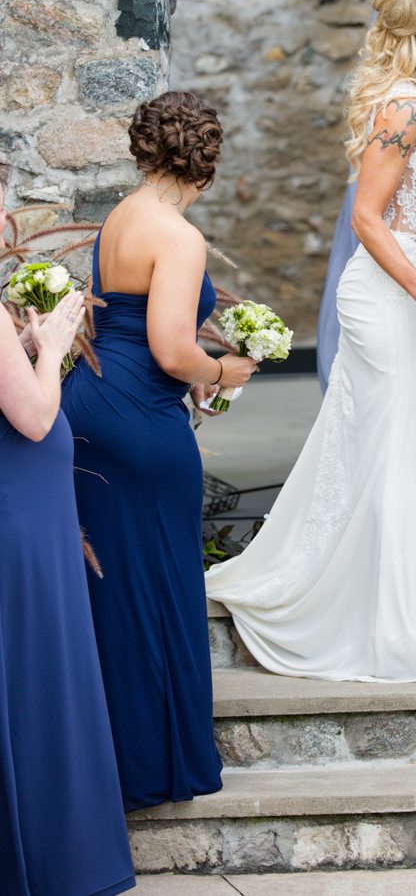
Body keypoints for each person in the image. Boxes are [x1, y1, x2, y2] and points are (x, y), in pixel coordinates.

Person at [206, 0, 416, 682]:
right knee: (398, 444)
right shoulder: (401, 108)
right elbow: (367, 218)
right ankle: (400, 629)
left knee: (410, 438)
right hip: (387, 298)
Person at [62, 91, 258, 811]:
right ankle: (153, 768)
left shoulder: (120, 216)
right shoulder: (178, 237)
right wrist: (222, 372)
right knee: (157, 588)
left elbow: (126, 324)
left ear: (144, 149)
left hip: (90, 403)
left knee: (109, 590)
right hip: (141, 423)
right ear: (205, 160)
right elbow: (174, 349)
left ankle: (104, 761)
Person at [0, 177, 136, 896]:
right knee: (36, 677)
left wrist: (19, 342)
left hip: (19, 507)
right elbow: (30, 415)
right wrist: (49, 347)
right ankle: (54, 861)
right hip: (20, 519)